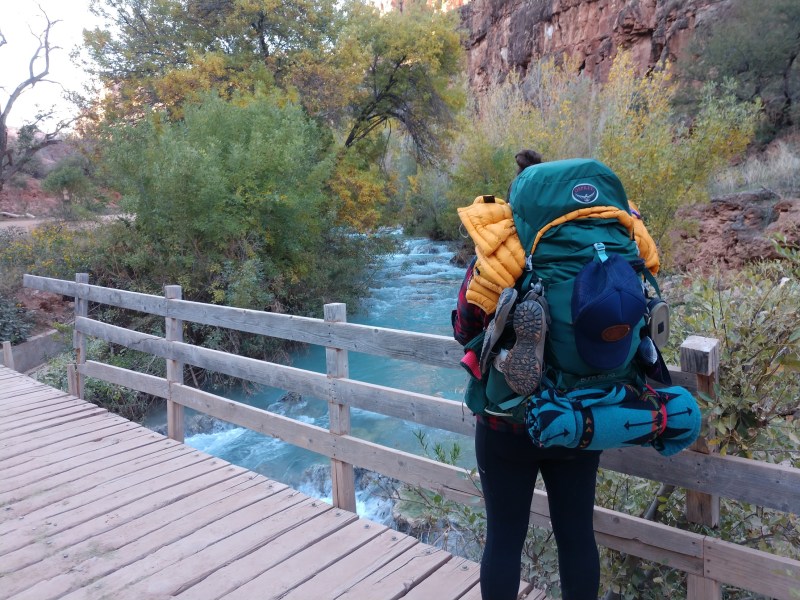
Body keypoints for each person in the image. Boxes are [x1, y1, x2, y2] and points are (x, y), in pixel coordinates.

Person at [452, 150, 601, 600]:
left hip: (505, 424)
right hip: (576, 417)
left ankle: (518, 355)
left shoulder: (498, 252)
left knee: (504, 539)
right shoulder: (587, 250)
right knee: (577, 536)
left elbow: (465, 329)